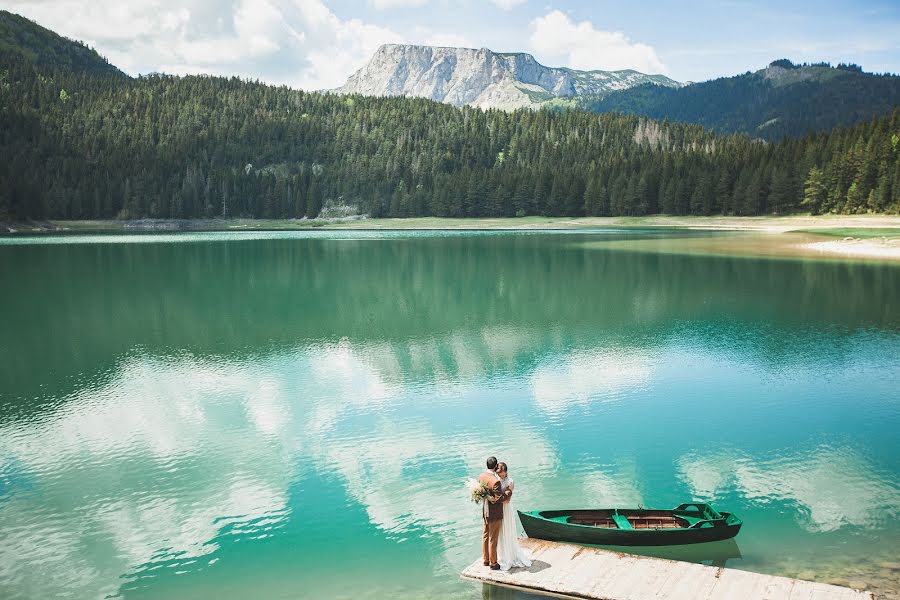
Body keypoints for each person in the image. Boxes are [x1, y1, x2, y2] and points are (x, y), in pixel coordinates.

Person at [495, 461, 532, 571]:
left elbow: (507, 500)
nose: (500, 475)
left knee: (507, 530)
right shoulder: (496, 480)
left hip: (505, 509)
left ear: (506, 472)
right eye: (498, 473)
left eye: (501, 473)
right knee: (500, 531)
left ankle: (509, 555)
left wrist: (495, 500)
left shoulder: (510, 482)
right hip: (498, 509)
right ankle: (501, 553)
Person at [478, 456, 504, 570]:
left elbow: (481, 492)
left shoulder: (482, 476)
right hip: (494, 513)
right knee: (493, 538)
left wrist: (487, 497)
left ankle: (486, 560)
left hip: (485, 511)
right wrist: (507, 492)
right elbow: (499, 498)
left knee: (485, 535)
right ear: (495, 466)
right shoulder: (496, 481)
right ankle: (493, 563)